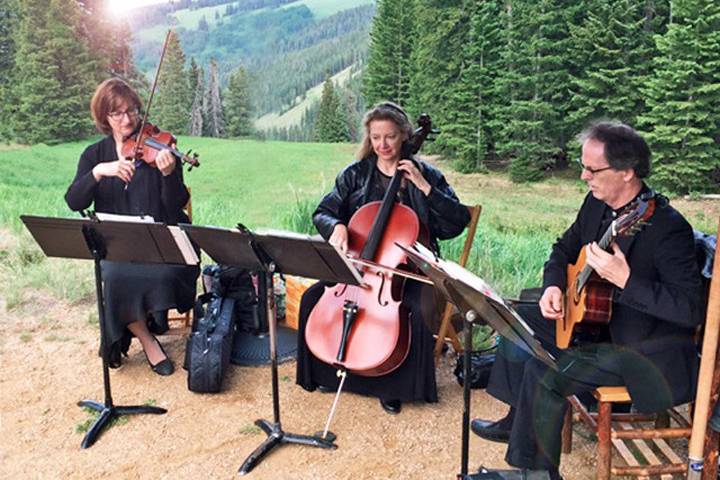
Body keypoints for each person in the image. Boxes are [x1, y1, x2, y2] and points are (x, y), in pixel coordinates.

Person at [470, 122, 704, 479]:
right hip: (596, 326)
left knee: (545, 367)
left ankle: (537, 473)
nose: (582, 176)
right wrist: (552, 287)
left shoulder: (668, 229)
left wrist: (625, 279)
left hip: (642, 350)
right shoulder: (597, 205)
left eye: (592, 169)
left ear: (627, 172)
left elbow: (689, 310)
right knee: (518, 319)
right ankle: (517, 418)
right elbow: (563, 249)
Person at [295, 102, 470, 414]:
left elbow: (456, 222)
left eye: (390, 137)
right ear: (369, 138)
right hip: (361, 265)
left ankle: (391, 386)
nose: (383, 145)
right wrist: (335, 226)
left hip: (408, 271)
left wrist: (423, 187)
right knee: (312, 298)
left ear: (404, 136)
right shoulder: (355, 174)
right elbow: (323, 212)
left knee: (413, 311)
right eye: (376, 137)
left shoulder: (426, 174)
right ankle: (325, 373)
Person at [65, 77, 199, 376]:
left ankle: (146, 322)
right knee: (114, 274)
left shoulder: (158, 149)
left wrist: (168, 174)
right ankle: (147, 338)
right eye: (117, 113)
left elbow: (174, 206)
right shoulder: (94, 156)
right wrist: (99, 173)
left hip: (159, 238)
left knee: (167, 272)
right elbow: (74, 201)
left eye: (132, 111)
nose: (127, 120)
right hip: (118, 245)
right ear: (104, 117)